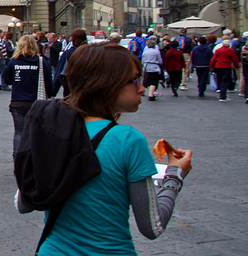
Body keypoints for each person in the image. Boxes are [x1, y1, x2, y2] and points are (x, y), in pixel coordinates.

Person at [19, 43, 193, 255]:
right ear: (107, 83)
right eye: (135, 80)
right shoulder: (128, 140)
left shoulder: (53, 131)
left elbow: (23, 203)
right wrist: (175, 175)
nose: (142, 87)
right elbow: (152, 227)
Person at [0, 35, 51, 156]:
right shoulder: (41, 62)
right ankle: (34, 157)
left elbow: (6, 79)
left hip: (18, 102)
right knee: (36, 132)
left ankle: (18, 157)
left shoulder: (14, 62)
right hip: (37, 103)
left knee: (19, 131)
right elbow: (49, 83)